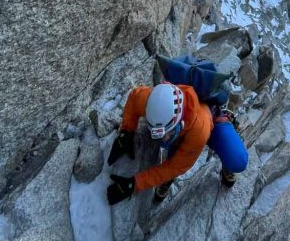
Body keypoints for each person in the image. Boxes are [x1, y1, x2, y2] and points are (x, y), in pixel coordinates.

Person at [105, 80, 248, 205]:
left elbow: (175, 167)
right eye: (158, 133)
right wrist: (126, 132)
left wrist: (134, 183)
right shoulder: (151, 101)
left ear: (179, 122)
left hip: (207, 121)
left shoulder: (199, 130)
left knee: (238, 160)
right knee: (172, 148)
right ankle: (167, 175)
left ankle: (227, 152)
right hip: (187, 125)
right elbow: (134, 96)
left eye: (168, 133)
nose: (163, 139)